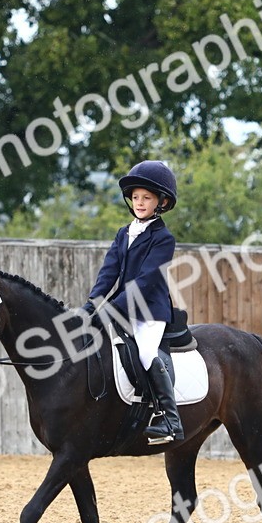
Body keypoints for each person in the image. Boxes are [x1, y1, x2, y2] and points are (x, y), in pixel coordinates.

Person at [82, 160, 184, 444]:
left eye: (147, 198)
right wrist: (91, 305)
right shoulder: (123, 233)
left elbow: (146, 281)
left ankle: (170, 419)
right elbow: (109, 272)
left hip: (150, 311)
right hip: (123, 307)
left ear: (162, 202)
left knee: (146, 352)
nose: (139, 202)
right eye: (136, 197)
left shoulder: (164, 238)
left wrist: (112, 309)